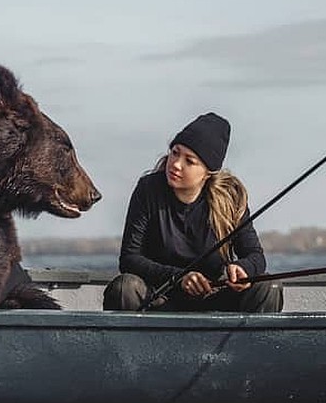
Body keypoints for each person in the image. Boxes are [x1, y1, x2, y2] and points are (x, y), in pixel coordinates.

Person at [103, 112, 283, 313]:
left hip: (216, 299)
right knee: (124, 287)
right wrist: (179, 278)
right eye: (175, 152)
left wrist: (243, 269)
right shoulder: (148, 189)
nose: (176, 164)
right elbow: (129, 259)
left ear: (208, 172)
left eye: (189, 161)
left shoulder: (230, 198)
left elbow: (255, 255)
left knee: (268, 287)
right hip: (161, 298)